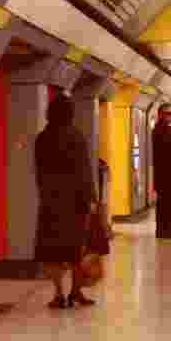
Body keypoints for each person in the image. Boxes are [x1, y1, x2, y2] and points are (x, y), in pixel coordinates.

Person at [34, 93, 98, 308]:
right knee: (77, 249)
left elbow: (39, 172)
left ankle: (58, 294)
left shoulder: (42, 139)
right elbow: (85, 171)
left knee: (52, 251)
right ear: (70, 114)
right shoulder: (76, 137)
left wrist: (44, 194)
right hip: (75, 203)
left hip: (51, 203)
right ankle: (76, 292)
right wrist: (92, 198)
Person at [151, 104, 171, 239]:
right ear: (160, 114)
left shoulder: (170, 131)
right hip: (163, 173)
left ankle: (167, 228)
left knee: (169, 203)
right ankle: (161, 230)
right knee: (163, 203)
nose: (170, 116)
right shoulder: (157, 131)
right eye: (167, 113)